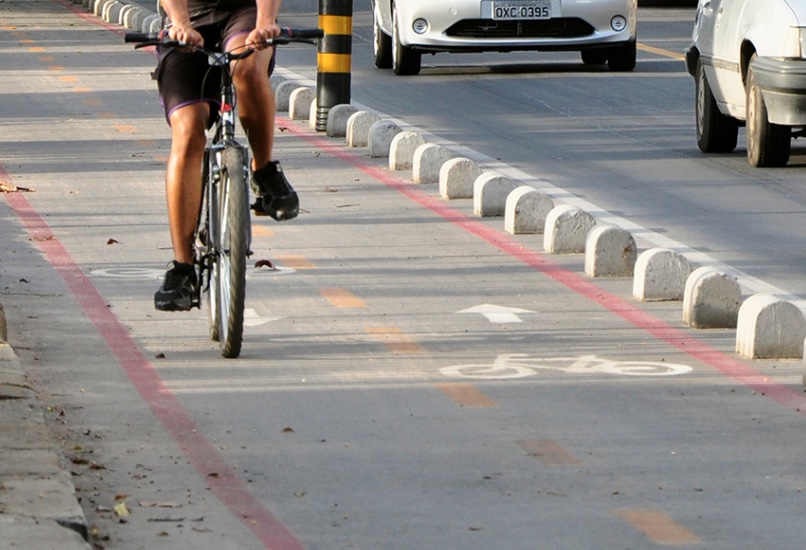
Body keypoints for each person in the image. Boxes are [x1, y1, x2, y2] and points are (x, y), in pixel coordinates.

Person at [153, 0, 298, 311]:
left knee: (247, 69)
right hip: (188, 16)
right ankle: (183, 267)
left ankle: (264, 170)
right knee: (188, 131)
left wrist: (266, 21)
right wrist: (180, 23)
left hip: (243, 12)